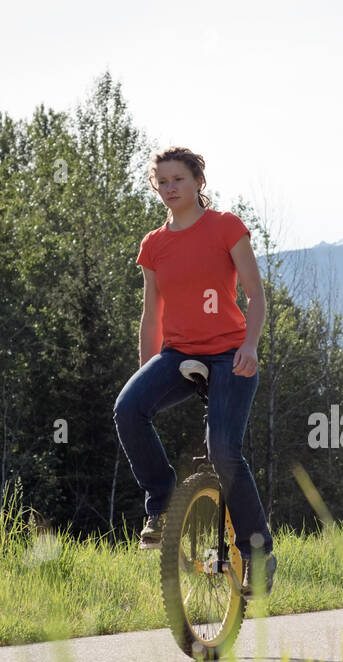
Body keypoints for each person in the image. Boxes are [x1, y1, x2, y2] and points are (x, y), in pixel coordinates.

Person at [113, 146, 276, 596]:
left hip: (229, 354)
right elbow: (151, 316)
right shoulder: (154, 245)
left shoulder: (226, 227)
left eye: (178, 180)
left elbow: (255, 297)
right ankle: (162, 507)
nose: (169, 188)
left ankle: (258, 554)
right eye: (161, 181)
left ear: (198, 181)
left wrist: (250, 345)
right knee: (128, 408)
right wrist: (146, 372)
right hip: (178, 354)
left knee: (223, 451)